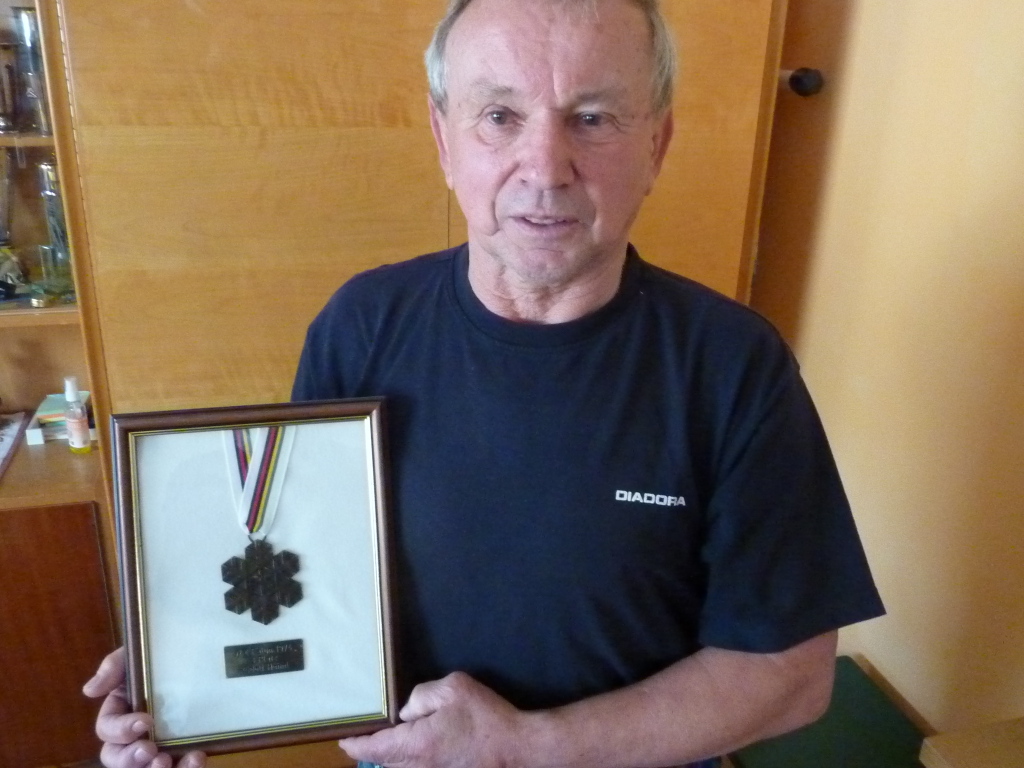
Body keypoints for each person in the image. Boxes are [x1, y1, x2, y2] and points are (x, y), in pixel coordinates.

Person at [84, 0, 885, 766]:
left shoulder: (734, 365)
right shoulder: (360, 327)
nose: (545, 166)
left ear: (657, 145)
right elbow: (293, 566)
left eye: (593, 118)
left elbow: (790, 677)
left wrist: (524, 746)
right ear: (444, 140)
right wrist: (190, 672)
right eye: (500, 116)